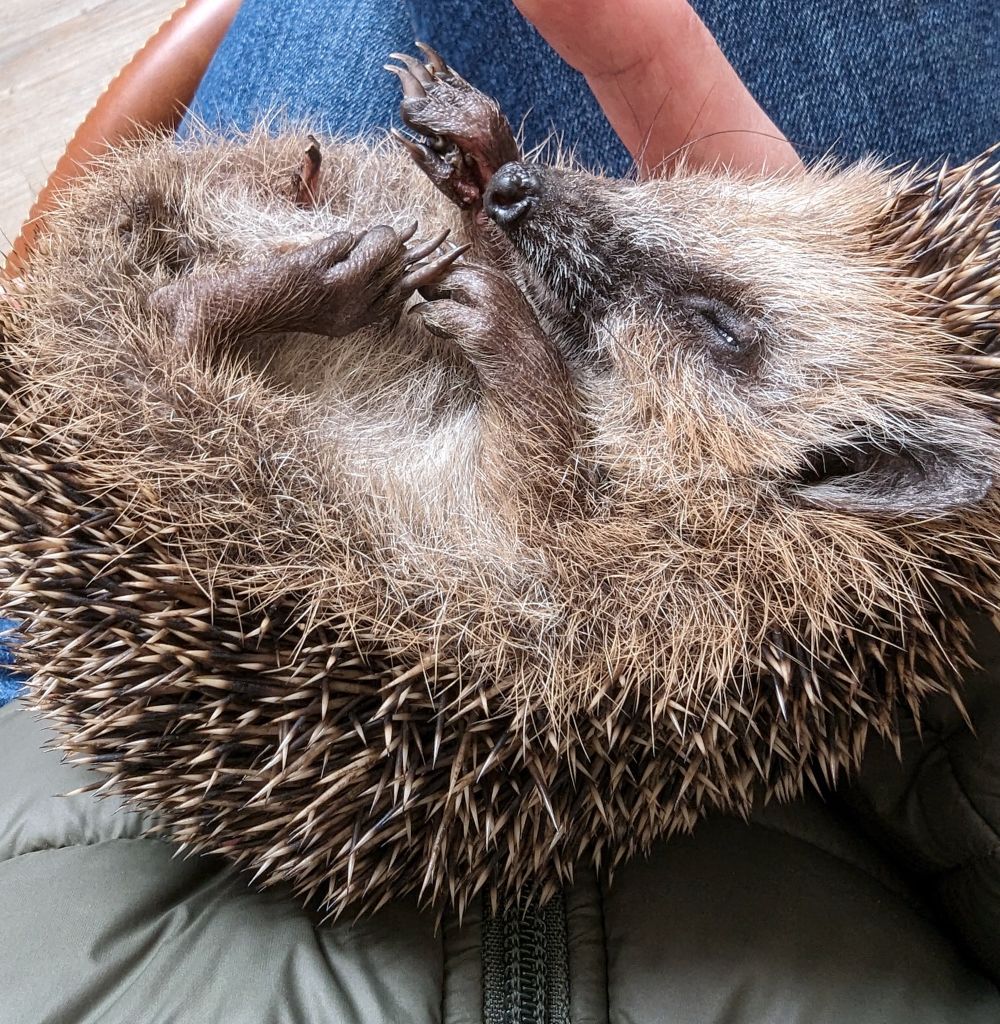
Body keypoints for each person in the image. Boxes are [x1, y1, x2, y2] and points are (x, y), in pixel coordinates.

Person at [3, 2, 1000, 1021]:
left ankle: (199, 323)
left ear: (855, 469)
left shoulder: (685, 622)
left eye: (719, 329)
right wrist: (503, 225)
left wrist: (521, 340)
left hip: (257, 529)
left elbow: (536, 561)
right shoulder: (785, 550)